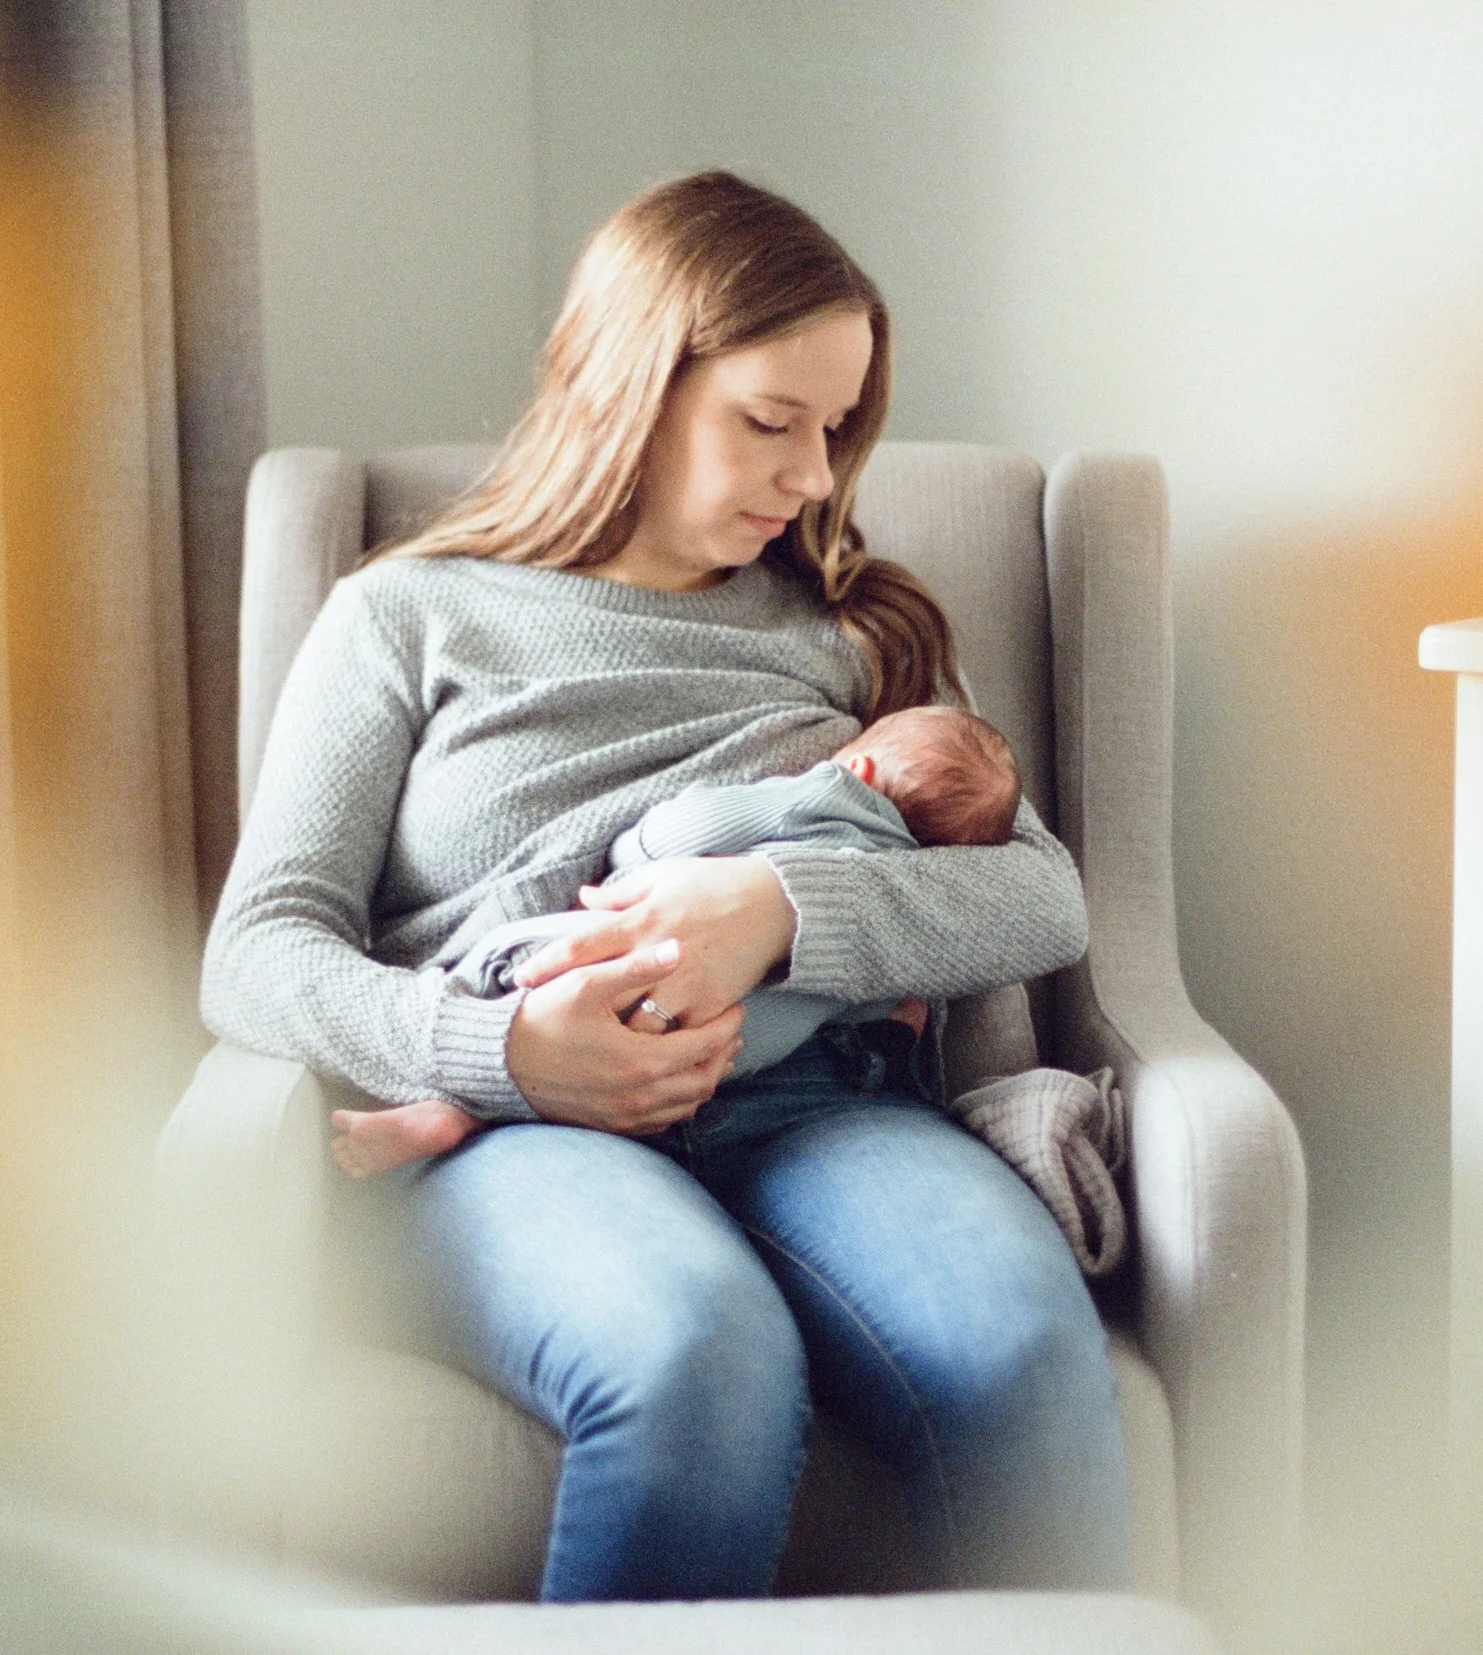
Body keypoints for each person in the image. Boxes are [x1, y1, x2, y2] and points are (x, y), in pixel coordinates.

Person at [201, 170, 1128, 1601]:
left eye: (836, 430)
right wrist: (495, 1048)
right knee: (696, 1353)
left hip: (815, 1104)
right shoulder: (407, 613)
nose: (816, 475)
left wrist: (780, 912)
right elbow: (258, 949)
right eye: (774, 421)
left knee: (1022, 1345)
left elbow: (1039, 898)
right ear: (635, 382)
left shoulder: (858, 630)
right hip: (511, 1121)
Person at [329, 703, 1022, 1177]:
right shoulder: (905, 886)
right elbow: (875, 997)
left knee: (515, 959)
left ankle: (456, 1087)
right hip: (732, 1055)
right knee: (661, 1073)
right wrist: (892, 1019)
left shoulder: (820, 794)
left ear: (862, 769)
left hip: (631, 968)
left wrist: (638, 850)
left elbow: (691, 827)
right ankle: (462, 1110)